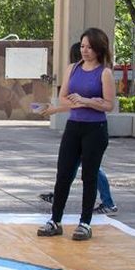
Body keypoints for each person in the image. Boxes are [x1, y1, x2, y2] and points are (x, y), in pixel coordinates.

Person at [38, 29, 116, 241]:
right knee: (63, 174)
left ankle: (85, 223)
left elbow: (109, 105)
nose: (85, 50)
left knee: (89, 176)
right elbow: (66, 99)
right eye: (82, 46)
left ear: (99, 49)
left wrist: (88, 101)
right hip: (74, 127)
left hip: (95, 130)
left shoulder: (104, 73)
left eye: (89, 47)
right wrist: (53, 109)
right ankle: (55, 220)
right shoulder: (72, 69)